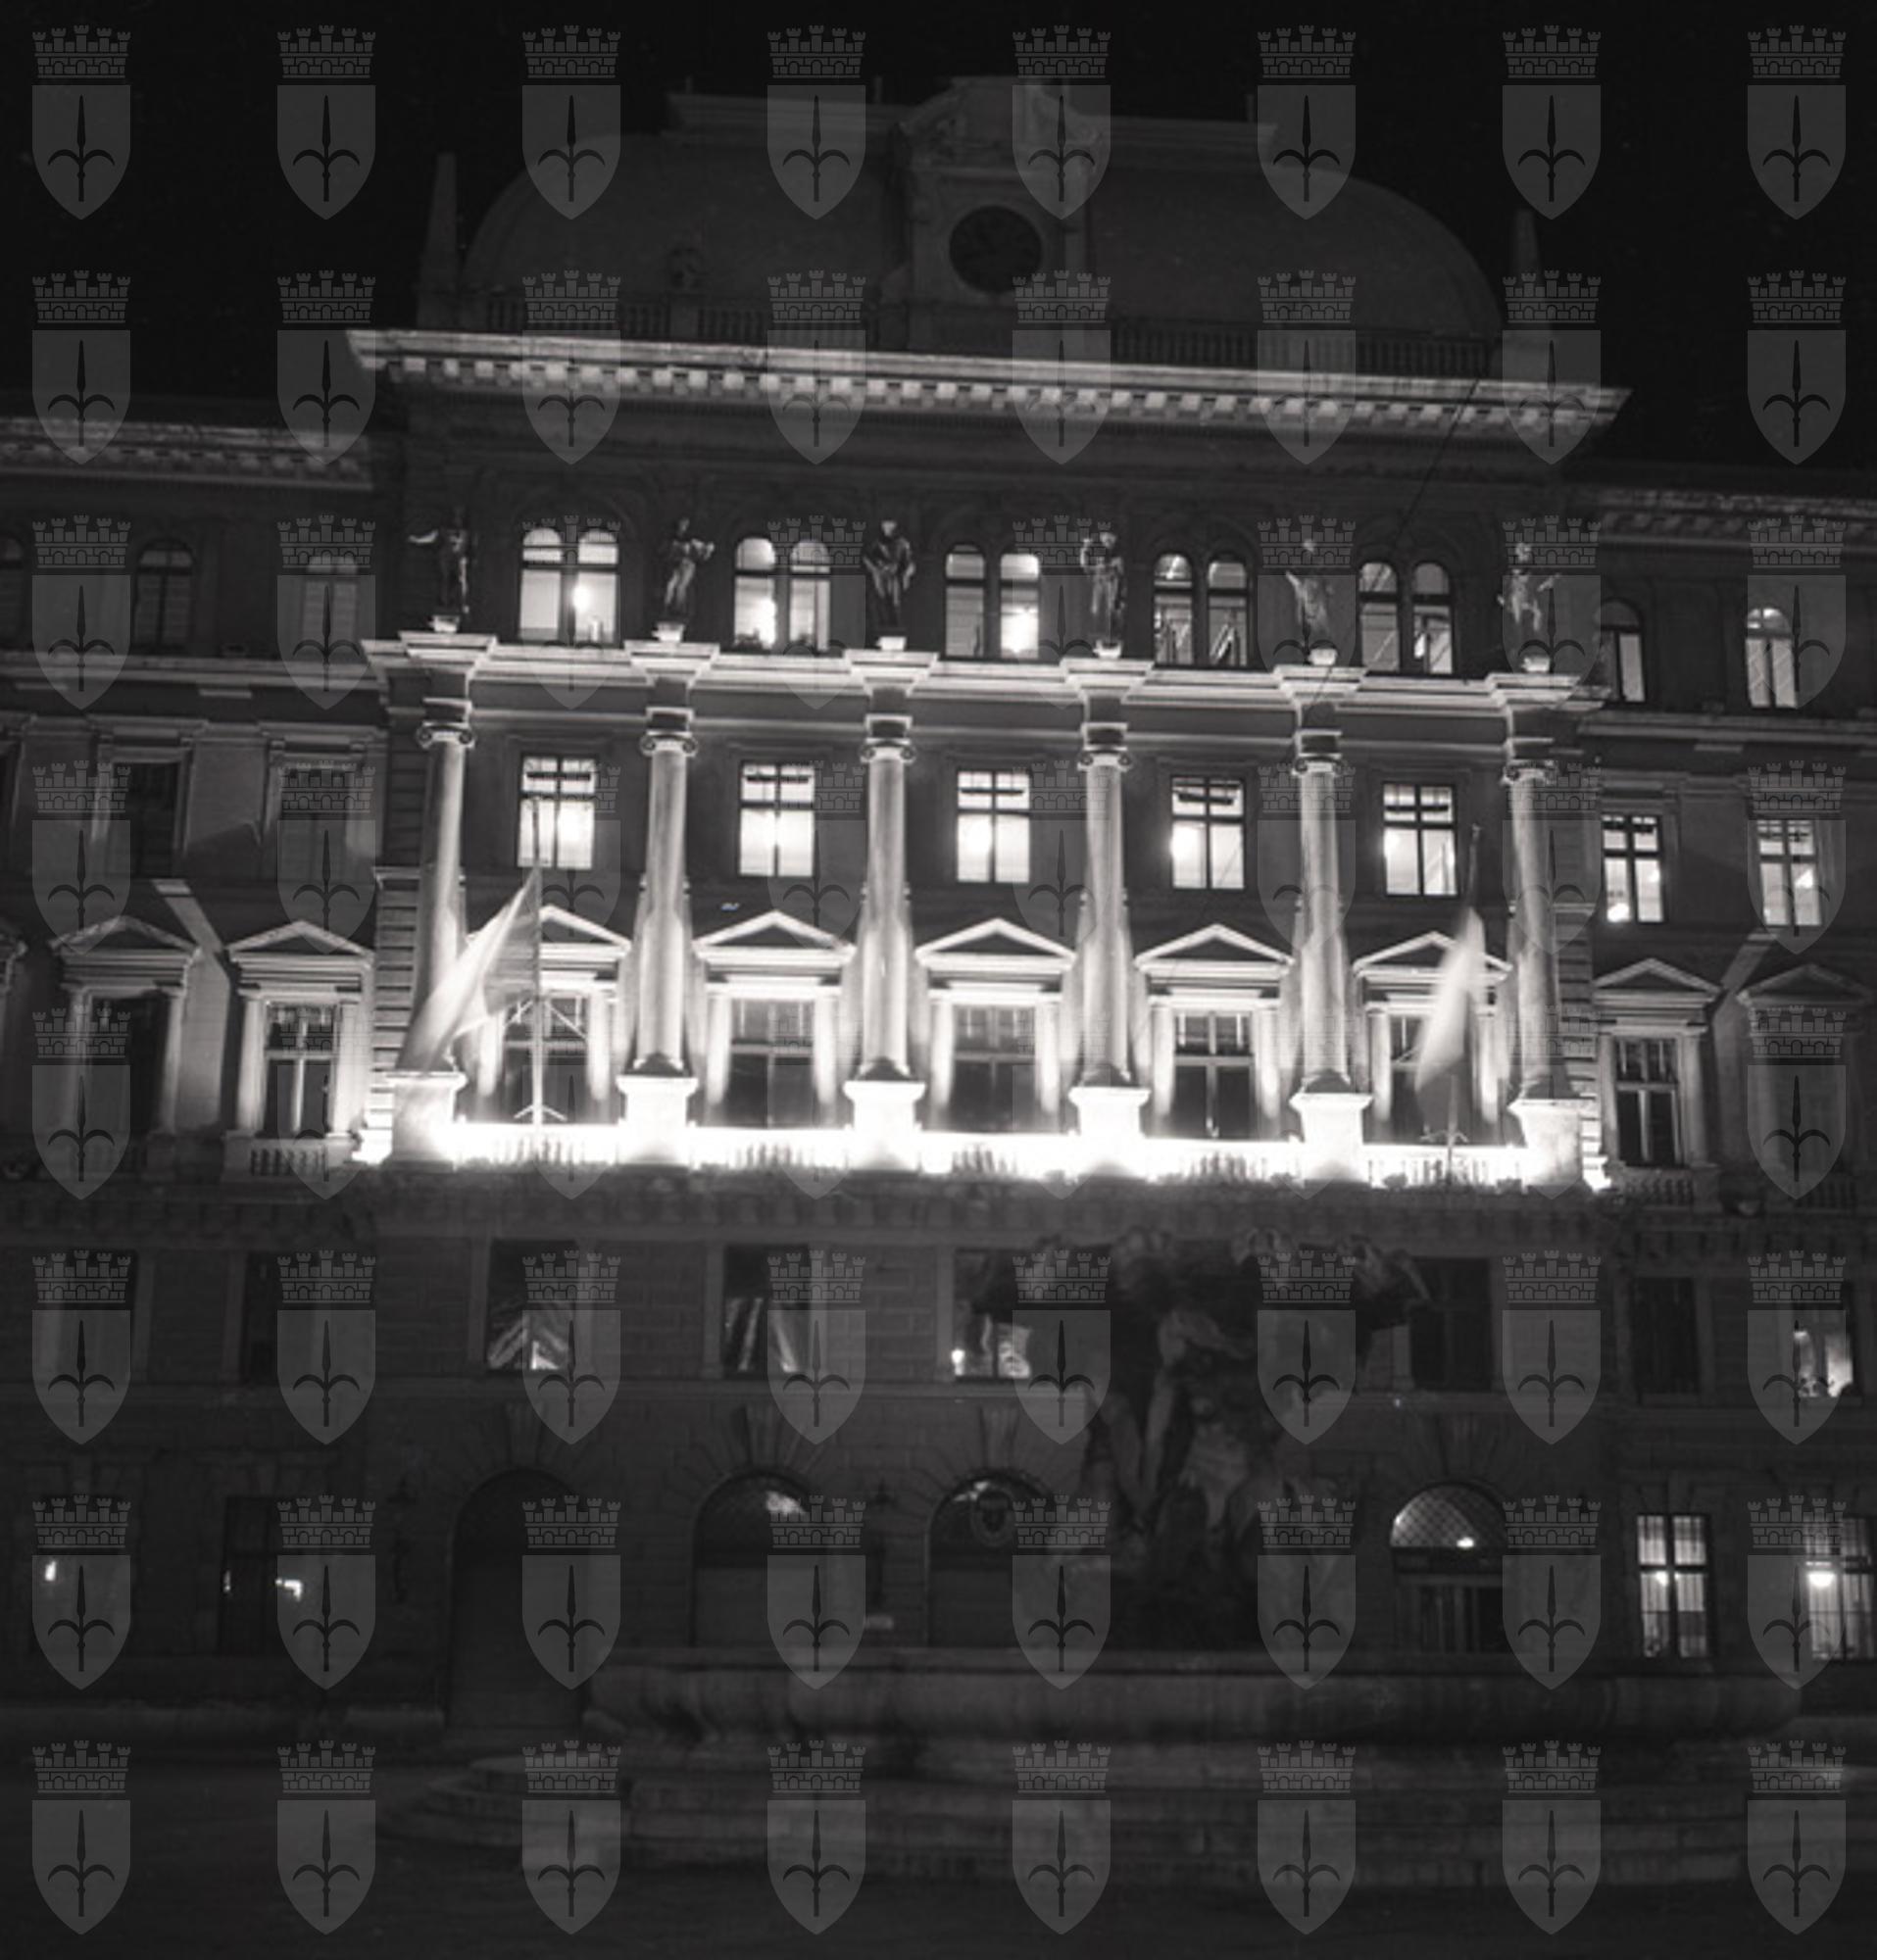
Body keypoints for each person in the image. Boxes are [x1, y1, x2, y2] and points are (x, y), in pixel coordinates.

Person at [407, 508, 472, 619]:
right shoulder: (444, 530)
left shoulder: (467, 532)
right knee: (444, 579)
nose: (457, 520)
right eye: (456, 517)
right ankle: (444, 603)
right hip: (446, 558)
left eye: (460, 517)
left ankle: (462, 604)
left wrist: (469, 557)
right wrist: (417, 540)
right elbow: (432, 537)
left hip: (459, 559)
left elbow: (470, 547)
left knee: (461, 581)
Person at [862, 517, 915, 640]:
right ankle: (885, 623)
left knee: (895, 601)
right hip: (882, 577)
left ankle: (895, 623)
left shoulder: (902, 544)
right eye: (886, 527)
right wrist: (877, 568)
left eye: (890, 527)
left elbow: (908, 561)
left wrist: (905, 572)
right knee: (883, 600)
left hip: (895, 577)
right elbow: (867, 559)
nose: (888, 530)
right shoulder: (877, 544)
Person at [658, 516, 715, 625]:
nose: (683, 527)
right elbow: (663, 551)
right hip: (675, 566)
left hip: (686, 566)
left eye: (685, 525)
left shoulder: (692, 541)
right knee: (671, 586)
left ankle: (678, 610)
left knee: (681, 587)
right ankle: (667, 608)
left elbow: (702, 553)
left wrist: (707, 549)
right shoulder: (672, 539)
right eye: (682, 524)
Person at [1081, 524, 1124, 641]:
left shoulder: (1117, 554)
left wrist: (1113, 568)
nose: (1108, 542)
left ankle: (1110, 632)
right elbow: (1086, 567)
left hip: (1110, 582)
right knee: (1096, 607)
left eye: (1110, 539)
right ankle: (1096, 631)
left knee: (1109, 607)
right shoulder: (1095, 552)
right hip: (1099, 582)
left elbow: (1120, 571)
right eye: (1105, 538)